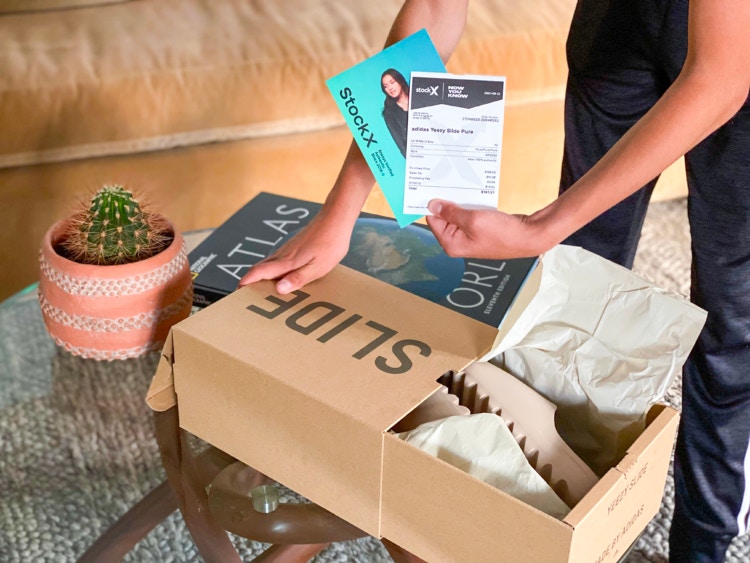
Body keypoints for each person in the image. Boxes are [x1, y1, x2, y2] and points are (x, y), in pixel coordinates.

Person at [239, 1, 750, 560]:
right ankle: (561, 511)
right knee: (578, 285)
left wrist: (537, 228)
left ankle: (704, 543)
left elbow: (720, 78)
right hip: (619, 22)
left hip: (738, 55)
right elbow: (432, 13)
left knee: (730, 325)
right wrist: (341, 212)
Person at [381, 68, 411, 156]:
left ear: (400, 81)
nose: (390, 88)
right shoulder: (389, 113)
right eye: (385, 86)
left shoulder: (417, 95)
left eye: (392, 82)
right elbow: (401, 145)